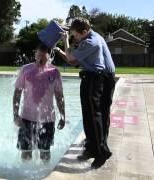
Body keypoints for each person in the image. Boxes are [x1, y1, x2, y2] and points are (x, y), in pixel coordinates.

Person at [55, 17, 116, 169]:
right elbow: (74, 61)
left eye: (75, 35)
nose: (73, 37)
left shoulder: (91, 42)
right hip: (99, 77)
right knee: (93, 115)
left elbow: (70, 58)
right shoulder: (91, 37)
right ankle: (91, 148)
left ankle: (101, 152)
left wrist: (65, 41)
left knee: (95, 116)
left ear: (84, 31)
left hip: (96, 79)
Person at [13, 43, 66, 162]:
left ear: (49, 56)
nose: (41, 58)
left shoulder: (54, 72)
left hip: (47, 119)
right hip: (26, 118)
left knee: (45, 152)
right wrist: (16, 115)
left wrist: (62, 116)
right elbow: (17, 93)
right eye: (39, 55)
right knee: (26, 152)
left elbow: (59, 96)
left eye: (44, 55)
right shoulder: (26, 70)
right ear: (35, 54)